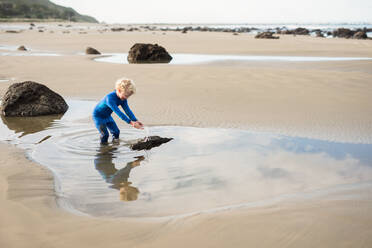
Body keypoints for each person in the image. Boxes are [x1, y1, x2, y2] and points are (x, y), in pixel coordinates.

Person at [93, 77, 143, 144]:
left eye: (128, 96)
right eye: (126, 95)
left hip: (107, 116)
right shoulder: (109, 98)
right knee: (105, 135)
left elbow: (127, 110)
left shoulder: (123, 99)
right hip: (98, 117)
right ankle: (103, 150)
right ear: (119, 90)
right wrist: (131, 123)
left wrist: (135, 120)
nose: (126, 98)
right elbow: (118, 112)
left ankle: (115, 146)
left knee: (116, 132)